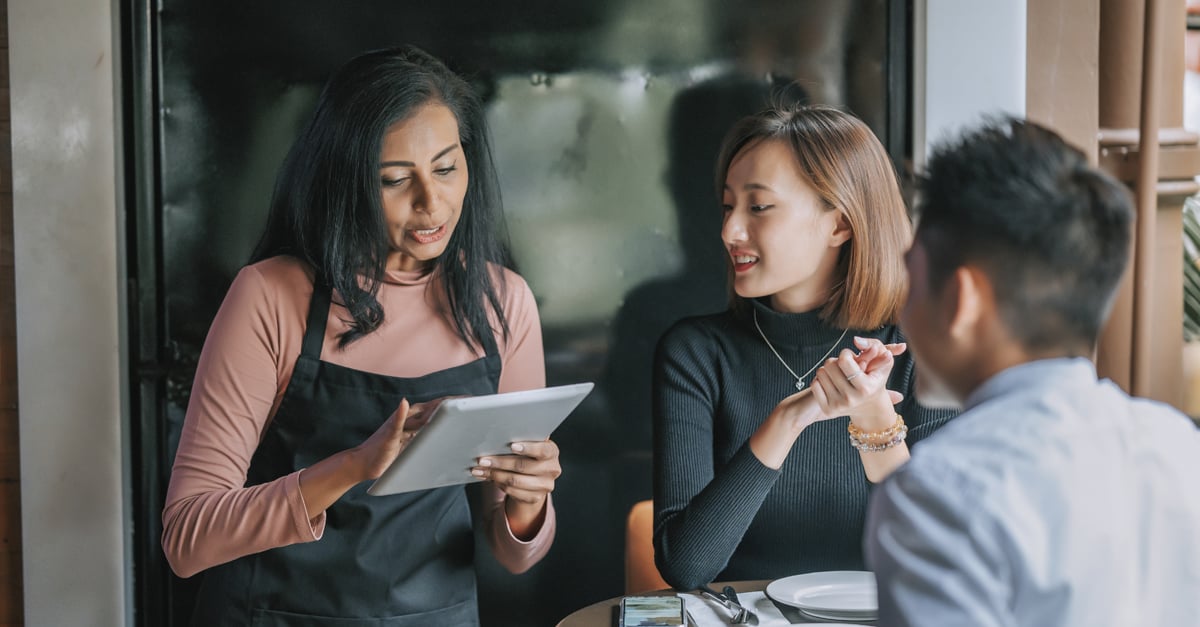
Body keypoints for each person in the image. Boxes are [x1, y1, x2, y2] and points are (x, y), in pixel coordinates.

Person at [161, 46, 560, 625]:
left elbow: (514, 554)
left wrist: (528, 502)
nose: (432, 203)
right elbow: (187, 539)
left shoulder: (503, 303)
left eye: (446, 168)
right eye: (396, 180)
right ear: (345, 182)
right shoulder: (271, 297)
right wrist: (353, 466)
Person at [865, 119, 1200, 626]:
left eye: (910, 275)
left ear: (960, 299)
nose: (900, 310)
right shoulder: (1178, 445)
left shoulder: (937, 495)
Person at [652, 104, 957, 591]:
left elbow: (941, 559)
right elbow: (686, 567)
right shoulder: (695, 354)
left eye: (758, 207)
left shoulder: (922, 348)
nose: (730, 231)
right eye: (728, 206)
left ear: (839, 224)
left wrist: (877, 421)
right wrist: (789, 419)